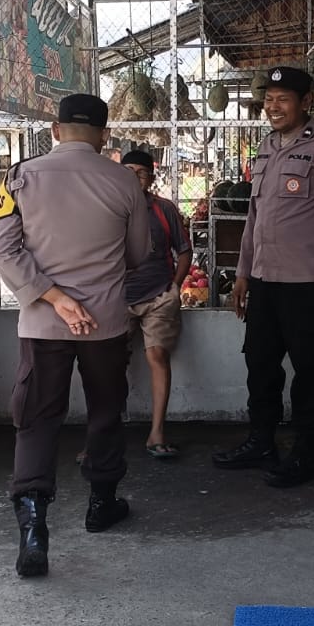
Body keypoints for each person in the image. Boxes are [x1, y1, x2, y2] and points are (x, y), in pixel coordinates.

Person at [0, 93, 151, 578]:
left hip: (43, 323)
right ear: (104, 135)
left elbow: (2, 251)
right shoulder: (125, 181)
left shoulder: (19, 176)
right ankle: (101, 503)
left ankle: (33, 526)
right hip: (105, 322)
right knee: (105, 409)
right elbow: (138, 255)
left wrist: (54, 297)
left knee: (37, 418)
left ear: (55, 130)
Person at [216, 65, 314, 488]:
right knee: (259, 365)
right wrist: (243, 274)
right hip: (264, 281)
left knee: (309, 369)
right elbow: (253, 218)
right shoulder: (265, 147)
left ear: (306, 101)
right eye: (269, 99)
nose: (273, 107)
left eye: (283, 99)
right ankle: (261, 442)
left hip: (308, 283)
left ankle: (305, 454)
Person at [120, 150, 192, 459]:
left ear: (151, 177)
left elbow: (184, 251)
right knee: (108, 365)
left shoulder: (164, 209)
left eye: (141, 172)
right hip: (116, 300)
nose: (135, 177)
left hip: (158, 297)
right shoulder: (108, 208)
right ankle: (101, 438)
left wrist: (174, 286)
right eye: (128, 171)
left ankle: (157, 433)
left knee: (157, 356)